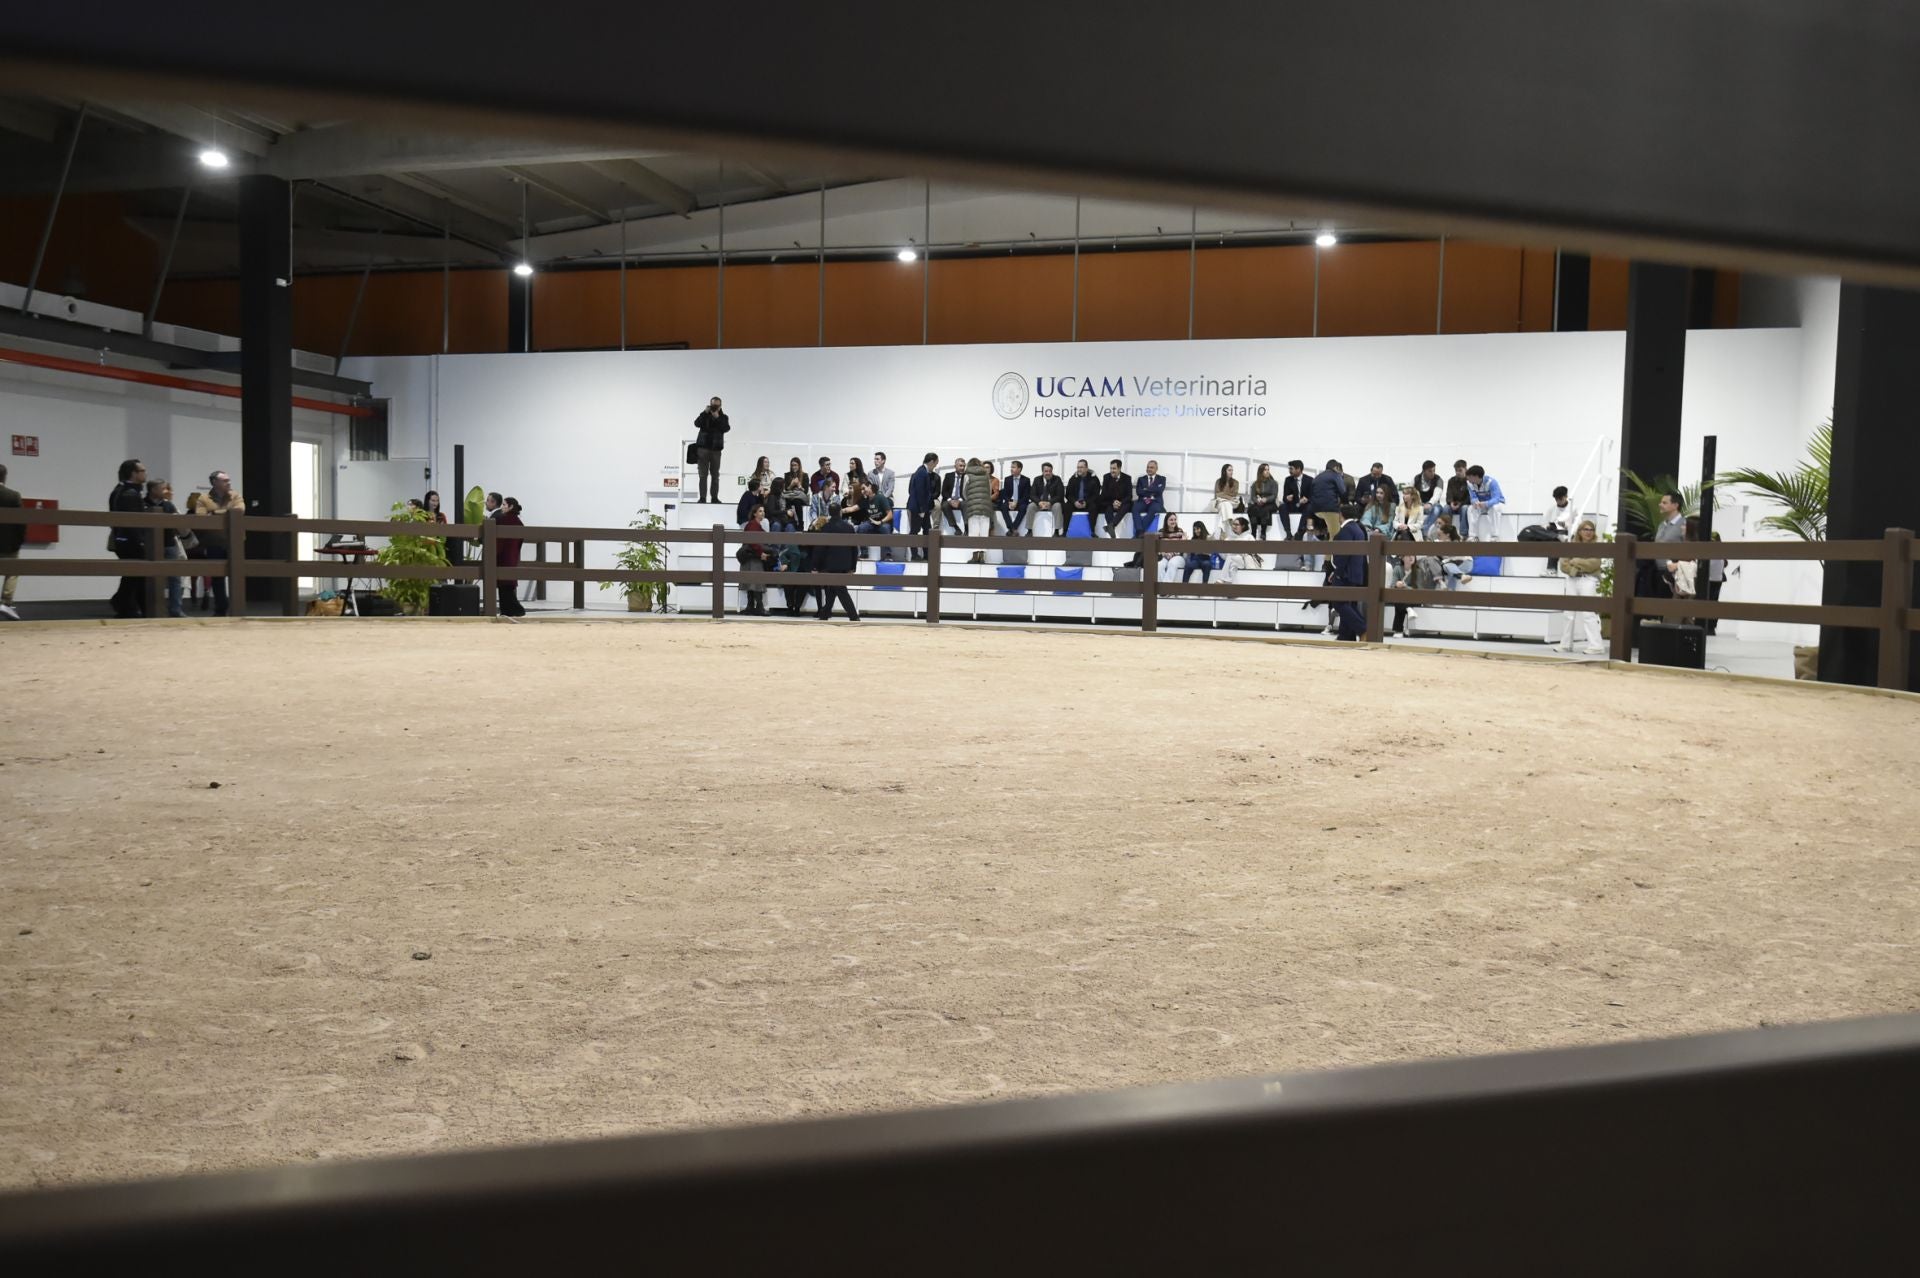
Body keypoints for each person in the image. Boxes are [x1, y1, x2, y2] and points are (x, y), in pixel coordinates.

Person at [183, 469, 243, 616]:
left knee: (238, 574)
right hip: (213, 542)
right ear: (214, 482)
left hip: (234, 542)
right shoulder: (203, 498)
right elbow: (201, 518)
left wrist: (215, 513)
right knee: (217, 576)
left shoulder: (235, 495)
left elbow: (240, 510)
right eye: (225, 480)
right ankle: (221, 608)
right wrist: (227, 513)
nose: (229, 482)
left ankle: (238, 609)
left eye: (229, 480)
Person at [1556, 519, 1606, 653]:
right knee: (1568, 613)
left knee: (1588, 613)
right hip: (1573, 579)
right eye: (1586, 529)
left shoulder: (1597, 546)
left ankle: (1596, 646)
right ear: (1580, 531)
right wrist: (1574, 569)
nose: (1588, 532)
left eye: (1591, 530)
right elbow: (1564, 564)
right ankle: (1565, 644)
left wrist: (1576, 561)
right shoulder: (1572, 544)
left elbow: (1594, 564)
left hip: (1588, 580)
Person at [108, 458, 149, 618]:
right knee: (136, 573)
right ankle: (124, 603)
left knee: (132, 574)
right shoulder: (130, 493)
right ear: (133, 473)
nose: (145, 474)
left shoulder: (121, 490)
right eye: (142, 471)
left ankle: (130, 605)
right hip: (130, 541)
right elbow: (133, 522)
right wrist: (141, 541)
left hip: (122, 540)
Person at [145, 479, 188, 618]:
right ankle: (150, 609)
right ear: (153, 490)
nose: (166, 491)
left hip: (169, 544)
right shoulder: (142, 504)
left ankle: (175, 609)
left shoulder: (169, 505)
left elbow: (179, 524)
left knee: (175, 577)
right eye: (162, 489)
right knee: (149, 577)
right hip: (150, 546)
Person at [812, 509, 861, 621]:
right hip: (845, 564)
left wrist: (816, 566)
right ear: (840, 512)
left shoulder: (826, 528)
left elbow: (820, 549)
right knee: (833, 590)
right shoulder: (849, 527)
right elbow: (854, 549)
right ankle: (824, 615)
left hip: (830, 565)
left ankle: (853, 616)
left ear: (830, 513)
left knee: (840, 590)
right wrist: (853, 566)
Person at [1328, 517, 1370, 640]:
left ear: (1341, 516)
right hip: (1355, 573)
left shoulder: (1346, 530)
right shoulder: (1359, 529)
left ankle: (1363, 629)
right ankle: (1346, 635)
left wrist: (1338, 572)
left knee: (1339, 602)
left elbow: (1342, 555)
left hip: (1345, 573)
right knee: (1349, 604)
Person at [491, 496, 527, 616]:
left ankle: (514, 610)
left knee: (503, 586)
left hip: (502, 556)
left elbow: (498, 541)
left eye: (504, 505)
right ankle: (509, 610)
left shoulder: (503, 520)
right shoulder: (519, 522)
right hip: (513, 556)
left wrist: (493, 554)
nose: (502, 507)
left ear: (510, 507)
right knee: (508, 586)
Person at [692, 396, 730, 503]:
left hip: (716, 450)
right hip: (703, 449)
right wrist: (704, 412)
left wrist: (717, 417)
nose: (715, 407)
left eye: (717, 405)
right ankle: (702, 497)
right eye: (713, 405)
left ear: (720, 406)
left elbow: (726, 428)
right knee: (702, 475)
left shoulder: (723, 417)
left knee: (715, 475)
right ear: (710, 404)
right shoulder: (705, 415)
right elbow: (696, 423)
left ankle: (714, 497)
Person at [738, 504, 772, 615]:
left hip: (751, 557)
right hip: (752, 558)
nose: (763, 513)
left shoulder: (755, 525)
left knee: (752, 582)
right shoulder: (753, 525)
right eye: (760, 511)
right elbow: (753, 542)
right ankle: (759, 607)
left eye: (763, 511)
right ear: (755, 513)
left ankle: (751, 606)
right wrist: (760, 553)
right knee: (757, 581)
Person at [905, 452, 940, 560]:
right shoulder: (922, 473)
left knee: (926, 530)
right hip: (918, 508)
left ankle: (927, 554)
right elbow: (920, 492)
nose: (935, 466)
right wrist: (921, 509)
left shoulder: (921, 471)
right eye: (935, 463)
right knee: (915, 531)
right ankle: (914, 555)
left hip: (922, 508)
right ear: (931, 461)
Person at [0, 463, 23, 619]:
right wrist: (19, 541)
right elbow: (20, 522)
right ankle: (5, 603)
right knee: (13, 571)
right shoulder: (13, 496)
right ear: (4, 477)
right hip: (8, 543)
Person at [963, 457, 994, 564]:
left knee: (973, 532)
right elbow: (989, 491)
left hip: (973, 507)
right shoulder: (986, 475)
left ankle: (975, 556)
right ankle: (982, 557)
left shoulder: (967, 475)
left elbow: (964, 492)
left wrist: (970, 499)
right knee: (984, 532)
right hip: (985, 507)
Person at [1465, 465, 1506, 542]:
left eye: (1469, 476)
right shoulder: (1469, 483)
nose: (1468, 478)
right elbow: (1473, 497)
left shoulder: (1492, 482)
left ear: (1476, 476)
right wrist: (1475, 502)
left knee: (1495, 508)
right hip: (1482, 505)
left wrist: (1486, 503)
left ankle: (1495, 536)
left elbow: (1496, 498)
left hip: (1495, 504)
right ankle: (1473, 536)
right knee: (1471, 508)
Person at [1309, 459, 1346, 540]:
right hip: (1330, 509)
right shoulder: (1336, 475)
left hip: (1316, 510)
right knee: (1335, 535)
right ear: (1336, 467)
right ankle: (1331, 552)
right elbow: (1343, 491)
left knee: (1328, 532)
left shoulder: (1317, 477)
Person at [996, 459, 1032, 537]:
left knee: (1023, 508)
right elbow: (1005, 493)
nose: (1011, 469)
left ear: (1019, 469)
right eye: (1011, 467)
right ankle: (1012, 528)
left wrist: (1017, 503)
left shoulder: (1026, 480)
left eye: (1013, 467)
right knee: (1003, 507)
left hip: (1021, 501)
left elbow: (1026, 495)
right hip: (1010, 501)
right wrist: (1009, 502)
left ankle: (1013, 528)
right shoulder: (1007, 479)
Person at [1064, 458, 1100, 535]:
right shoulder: (1073, 478)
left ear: (1086, 468)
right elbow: (1068, 494)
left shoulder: (1094, 479)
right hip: (1075, 502)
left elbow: (1096, 495)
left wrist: (1086, 502)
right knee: (1067, 507)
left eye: (1081, 467)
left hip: (1088, 502)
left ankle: (1092, 531)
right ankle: (1065, 531)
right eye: (1078, 467)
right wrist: (1074, 502)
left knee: (1094, 507)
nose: (1079, 469)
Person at [1099, 458, 1132, 539]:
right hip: (1110, 502)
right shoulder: (1106, 477)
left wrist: (1120, 503)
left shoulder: (1127, 478)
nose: (1112, 470)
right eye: (1111, 468)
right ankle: (1111, 527)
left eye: (1114, 468)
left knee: (1128, 504)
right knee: (1107, 507)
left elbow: (1129, 495)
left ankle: (1111, 525)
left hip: (1122, 503)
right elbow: (1104, 495)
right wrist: (1113, 502)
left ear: (1119, 468)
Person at [1029, 461, 1064, 538]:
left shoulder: (1057, 479)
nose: (1048, 473)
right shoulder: (1037, 479)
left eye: (1050, 471)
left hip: (1052, 503)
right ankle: (1029, 531)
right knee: (1031, 506)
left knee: (1058, 505)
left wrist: (1050, 502)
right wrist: (1039, 502)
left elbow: (1060, 495)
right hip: (1039, 503)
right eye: (1046, 471)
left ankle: (1057, 531)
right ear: (1042, 472)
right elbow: (1032, 494)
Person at [1132, 460, 1167, 535]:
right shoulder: (1141, 479)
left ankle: (1139, 532)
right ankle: (1139, 530)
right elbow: (1139, 492)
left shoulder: (1162, 479)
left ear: (1156, 469)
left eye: (1151, 467)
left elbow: (1160, 490)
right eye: (1148, 467)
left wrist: (1146, 489)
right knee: (1135, 508)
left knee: (1154, 509)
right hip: (1143, 501)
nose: (1149, 469)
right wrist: (1153, 490)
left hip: (1155, 502)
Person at [1280, 460, 1312, 539]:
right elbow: (1284, 498)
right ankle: (1288, 532)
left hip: (1304, 505)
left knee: (1310, 507)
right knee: (1282, 507)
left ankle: (1300, 532)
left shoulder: (1309, 480)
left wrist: (1307, 499)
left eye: (1291, 469)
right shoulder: (1288, 480)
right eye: (1289, 469)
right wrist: (1287, 498)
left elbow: (1313, 496)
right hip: (1293, 505)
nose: (1289, 471)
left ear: (1299, 469)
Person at [864, 481, 895, 561]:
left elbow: (890, 515)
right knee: (861, 528)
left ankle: (888, 554)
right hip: (871, 523)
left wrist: (880, 522)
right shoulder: (864, 500)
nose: (863, 491)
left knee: (885, 528)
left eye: (864, 488)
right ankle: (864, 552)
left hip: (883, 522)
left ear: (870, 487)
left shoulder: (881, 498)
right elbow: (854, 508)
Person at [1247, 463, 1279, 539]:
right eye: (1265, 470)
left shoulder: (1274, 483)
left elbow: (1274, 495)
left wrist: (1266, 499)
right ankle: (1253, 533)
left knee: (1264, 509)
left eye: (1268, 469)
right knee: (1252, 509)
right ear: (1261, 472)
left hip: (1271, 504)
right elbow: (1253, 496)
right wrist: (1257, 500)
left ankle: (1263, 532)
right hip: (1259, 503)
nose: (1267, 471)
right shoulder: (1255, 484)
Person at [1443, 459, 1472, 538]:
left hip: (1464, 504)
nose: (1458, 472)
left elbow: (1470, 497)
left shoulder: (1470, 481)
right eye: (1456, 470)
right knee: (1446, 507)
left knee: (1465, 508)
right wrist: (1451, 502)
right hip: (1453, 504)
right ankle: (1446, 532)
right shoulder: (1451, 480)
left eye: (1460, 470)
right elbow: (1449, 494)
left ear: (1466, 469)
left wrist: (1460, 504)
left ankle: (1463, 534)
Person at [941, 455, 969, 533]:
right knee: (945, 505)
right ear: (955, 466)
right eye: (960, 466)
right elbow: (944, 491)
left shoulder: (967, 476)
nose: (962, 468)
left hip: (961, 499)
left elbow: (967, 492)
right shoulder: (948, 476)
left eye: (964, 466)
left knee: (965, 504)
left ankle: (966, 528)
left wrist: (959, 500)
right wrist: (950, 500)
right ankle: (956, 528)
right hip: (950, 499)